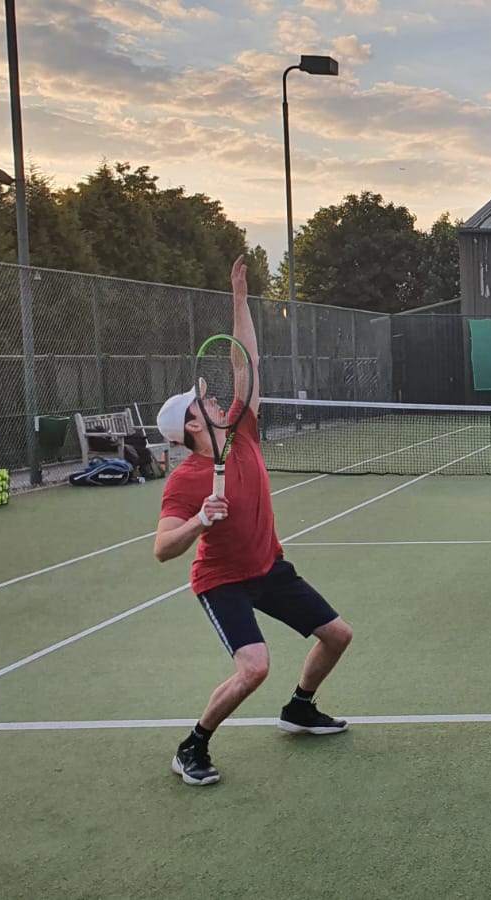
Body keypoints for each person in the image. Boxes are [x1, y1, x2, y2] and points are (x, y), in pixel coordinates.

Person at [153, 255, 354, 787]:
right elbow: (162, 548)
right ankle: (192, 746)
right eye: (203, 401)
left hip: (268, 568)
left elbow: (246, 363)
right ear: (192, 425)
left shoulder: (243, 431)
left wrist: (240, 298)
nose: (215, 398)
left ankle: (300, 708)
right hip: (222, 583)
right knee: (254, 667)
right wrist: (199, 521)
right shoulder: (185, 481)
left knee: (337, 635)